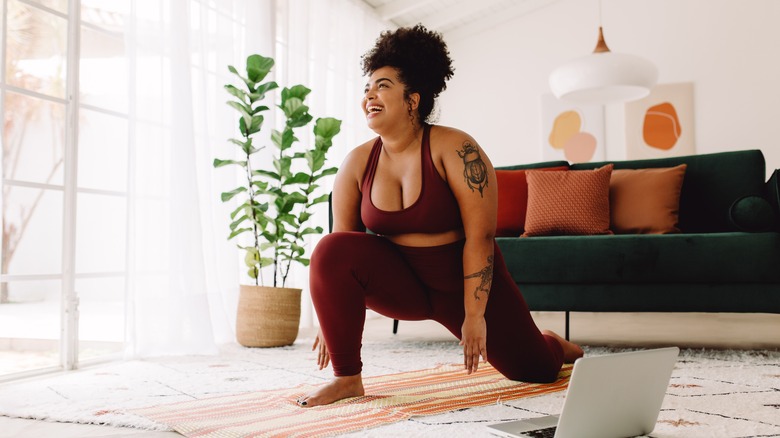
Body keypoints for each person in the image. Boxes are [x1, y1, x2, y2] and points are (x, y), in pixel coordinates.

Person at [296, 24, 583, 408]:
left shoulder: (456, 148)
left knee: (535, 370)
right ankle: (348, 379)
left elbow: (480, 238)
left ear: (412, 99)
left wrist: (475, 314)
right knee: (329, 248)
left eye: (381, 85)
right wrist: (333, 324)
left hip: (460, 283)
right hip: (404, 285)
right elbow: (341, 249)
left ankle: (554, 344)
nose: (368, 95)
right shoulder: (356, 164)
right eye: (366, 88)